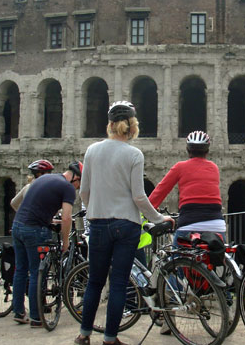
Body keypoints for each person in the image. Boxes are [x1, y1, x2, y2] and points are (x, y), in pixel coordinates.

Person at [74, 101, 173, 345]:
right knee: (119, 282)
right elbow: (139, 196)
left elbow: (83, 192)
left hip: (97, 223)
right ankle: (109, 338)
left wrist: (96, 207)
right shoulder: (134, 154)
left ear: (109, 124)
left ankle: (84, 335)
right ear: (132, 126)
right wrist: (159, 219)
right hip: (126, 226)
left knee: (95, 282)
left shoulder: (92, 151)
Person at [148, 130, 224, 335]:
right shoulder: (214, 168)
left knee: (170, 266)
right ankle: (208, 294)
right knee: (207, 258)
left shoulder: (180, 167)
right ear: (207, 151)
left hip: (189, 225)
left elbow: (158, 193)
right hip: (217, 226)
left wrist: (147, 213)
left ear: (188, 150)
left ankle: (168, 319)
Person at [11, 161, 81, 327]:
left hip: (17, 225)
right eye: (80, 183)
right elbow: (66, 218)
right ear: (76, 178)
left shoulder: (46, 178)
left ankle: (19, 312)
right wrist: (65, 242)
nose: (78, 188)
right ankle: (36, 317)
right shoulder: (68, 188)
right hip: (34, 230)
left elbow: (29, 204)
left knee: (21, 270)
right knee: (36, 272)